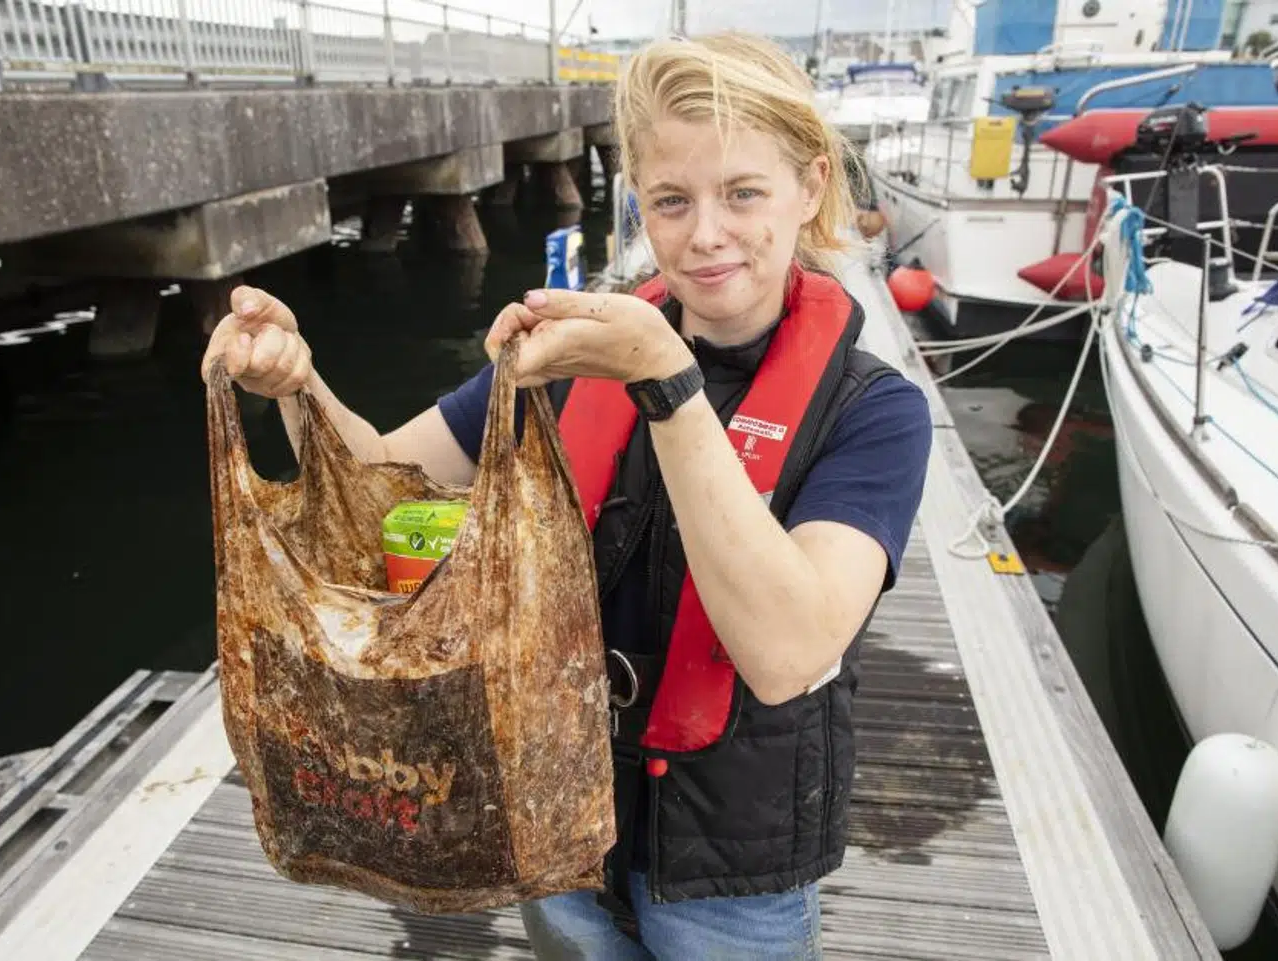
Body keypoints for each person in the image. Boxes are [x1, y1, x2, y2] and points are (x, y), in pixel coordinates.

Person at [201, 31, 931, 961]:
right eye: (672, 200)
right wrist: (299, 388)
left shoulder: (876, 413)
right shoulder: (570, 359)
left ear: (811, 185)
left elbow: (788, 653)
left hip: (735, 869)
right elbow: (381, 485)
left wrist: (667, 381)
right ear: (640, 205)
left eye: (743, 192)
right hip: (554, 824)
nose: (705, 234)